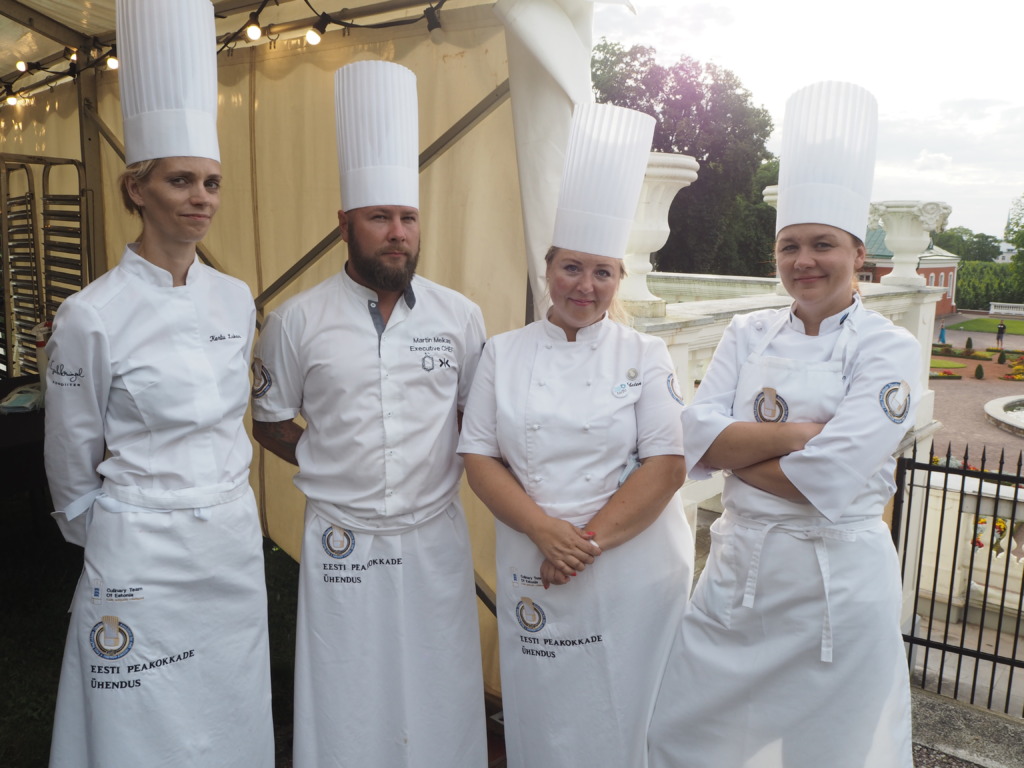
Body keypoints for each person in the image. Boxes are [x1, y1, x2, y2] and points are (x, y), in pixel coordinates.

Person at [648, 82, 920, 768]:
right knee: (682, 737)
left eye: (823, 244)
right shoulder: (746, 331)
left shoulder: (890, 349)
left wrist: (730, 448)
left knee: (825, 754)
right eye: (789, 246)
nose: (804, 261)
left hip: (838, 591)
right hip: (740, 575)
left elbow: (826, 479)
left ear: (859, 254)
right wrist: (798, 437)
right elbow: (692, 432)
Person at [43, 1, 273, 765]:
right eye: (181, 181)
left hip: (230, 542)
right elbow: (71, 456)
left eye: (210, 181)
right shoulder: (91, 314)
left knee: (229, 697)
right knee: (136, 708)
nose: (201, 197)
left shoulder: (235, 297)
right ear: (137, 188)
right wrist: (109, 531)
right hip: (138, 543)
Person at [251, 60, 488, 768]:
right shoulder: (296, 320)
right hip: (341, 536)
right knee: (345, 685)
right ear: (345, 223)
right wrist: (335, 458)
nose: (396, 233)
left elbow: (475, 419)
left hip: (432, 533)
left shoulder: (460, 317)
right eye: (379, 217)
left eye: (407, 218)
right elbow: (270, 420)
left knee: (442, 677)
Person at [459, 102, 694, 768]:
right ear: (547, 268)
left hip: (627, 567)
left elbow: (667, 464)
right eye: (571, 267)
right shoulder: (503, 352)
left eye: (601, 271)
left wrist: (580, 544)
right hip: (533, 556)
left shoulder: (645, 354)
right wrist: (543, 533)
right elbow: (479, 456)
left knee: (624, 710)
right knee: (544, 709)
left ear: (618, 278)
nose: (584, 286)